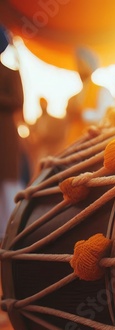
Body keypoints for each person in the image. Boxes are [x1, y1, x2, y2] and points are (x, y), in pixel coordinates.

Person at [0, 26, 24, 243]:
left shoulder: (10, 72)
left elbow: (18, 101)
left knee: (7, 183)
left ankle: (12, 234)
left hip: (5, 134)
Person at [65, 46, 113, 145]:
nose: (79, 68)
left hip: (95, 146)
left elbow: (105, 116)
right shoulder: (74, 97)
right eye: (77, 64)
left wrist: (81, 114)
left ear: (90, 65)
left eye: (82, 64)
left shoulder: (102, 91)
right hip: (75, 146)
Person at [29, 97, 67, 175]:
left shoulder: (55, 120)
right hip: (41, 151)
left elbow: (59, 135)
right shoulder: (38, 120)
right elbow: (32, 134)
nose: (42, 105)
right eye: (40, 103)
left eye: (43, 103)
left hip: (53, 150)